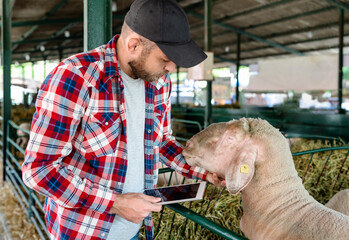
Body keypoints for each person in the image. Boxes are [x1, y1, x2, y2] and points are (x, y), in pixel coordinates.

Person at [21, 0, 224, 239]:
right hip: (82, 231)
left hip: (134, 228)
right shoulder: (76, 77)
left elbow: (162, 142)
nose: (171, 67)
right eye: (165, 58)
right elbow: (39, 170)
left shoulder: (159, 83)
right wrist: (115, 203)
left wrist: (204, 170)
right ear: (134, 45)